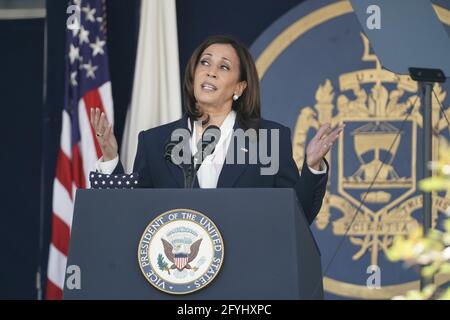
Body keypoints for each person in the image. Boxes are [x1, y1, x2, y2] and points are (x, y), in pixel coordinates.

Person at [90, 35, 344, 225]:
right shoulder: (155, 141)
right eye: (205, 63)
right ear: (193, 75)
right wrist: (111, 158)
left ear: (239, 88)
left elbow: (296, 217)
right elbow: (132, 215)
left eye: (223, 67)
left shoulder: (268, 140)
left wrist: (312, 166)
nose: (211, 71)